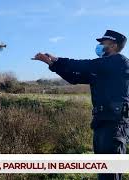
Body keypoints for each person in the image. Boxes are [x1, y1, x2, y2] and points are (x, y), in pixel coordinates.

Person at [33, 30, 129, 180]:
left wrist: (57, 60)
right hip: (102, 122)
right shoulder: (102, 69)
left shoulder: (118, 62)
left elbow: (84, 65)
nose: (99, 46)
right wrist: (51, 64)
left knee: (111, 173)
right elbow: (74, 76)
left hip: (114, 123)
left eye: (103, 43)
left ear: (114, 45)